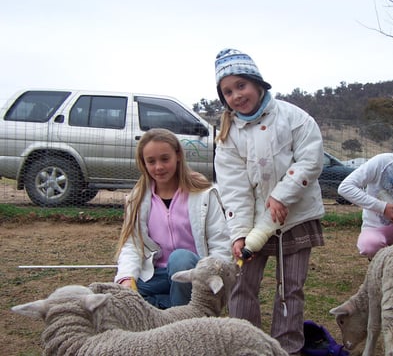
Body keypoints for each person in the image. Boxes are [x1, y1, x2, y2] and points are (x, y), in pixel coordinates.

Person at [213, 48, 325, 355]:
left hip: (297, 215)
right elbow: (234, 188)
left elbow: (310, 160)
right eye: (227, 91)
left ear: (258, 83)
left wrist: (281, 195)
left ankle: (287, 347)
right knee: (241, 283)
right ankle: (243, 343)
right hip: (253, 225)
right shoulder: (228, 136)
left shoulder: (294, 117)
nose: (236, 95)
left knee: (290, 287)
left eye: (241, 85)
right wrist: (238, 233)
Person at [114, 128, 231, 309]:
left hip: (193, 274)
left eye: (165, 159)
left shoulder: (204, 195)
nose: (158, 167)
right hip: (155, 276)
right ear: (143, 163)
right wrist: (126, 279)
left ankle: (179, 319)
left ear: (177, 156)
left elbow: (220, 242)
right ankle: (165, 308)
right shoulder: (137, 199)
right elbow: (132, 245)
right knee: (117, 298)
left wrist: (214, 276)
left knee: (180, 259)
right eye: (151, 161)